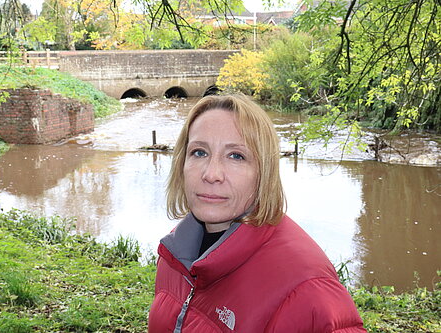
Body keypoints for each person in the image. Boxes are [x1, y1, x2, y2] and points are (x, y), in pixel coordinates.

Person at [148, 94, 366, 332]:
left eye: (236, 156)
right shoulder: (175, 253)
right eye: (199, 152)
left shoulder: (306, 287)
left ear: (264, 173)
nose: (211, 174)